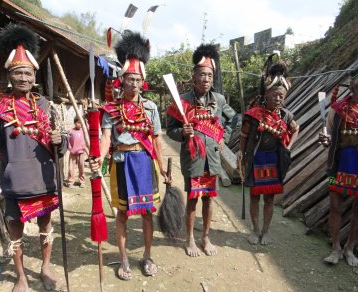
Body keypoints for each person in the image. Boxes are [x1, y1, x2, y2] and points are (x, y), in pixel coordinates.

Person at [0, 23, 68, 291]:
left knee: (45, 226)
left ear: (34, 76)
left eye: (27, 73)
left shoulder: (45, 106)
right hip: (15, 180)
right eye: (18, 73)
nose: (23, 78)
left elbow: (58, 148)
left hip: (44, 178)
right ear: (10, 76)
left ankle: (45, 266)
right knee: (15, 231)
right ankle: (21, 276)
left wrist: (59, 141)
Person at [90, 31, 168, 280]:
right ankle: (123, 259)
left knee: (146, 213)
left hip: (145, 162)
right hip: (121, 164)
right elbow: (105, 139)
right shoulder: (111, 109)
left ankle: (147, 255)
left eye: (137, 79)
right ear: (121, 80)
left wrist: (163, 167)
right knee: (122, 214)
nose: (133, 84)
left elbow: (156, 139)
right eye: (129, 79)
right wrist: (99, 158)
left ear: (142, 81)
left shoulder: (151, 108)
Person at [166, 44, 236, 257]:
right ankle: (189, 240)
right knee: (193, 198)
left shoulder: (220, 100)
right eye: (202, 75)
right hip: (193, 158)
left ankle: (205, 238)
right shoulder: (183, 101)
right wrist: (184, 133)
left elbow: (233, 119)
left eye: (209, 75)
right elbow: (170, 129)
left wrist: (224, 137)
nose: (206, 79)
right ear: (194, 77)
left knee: (209, 199)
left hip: (212, 160)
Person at [238, 56, 299, 245]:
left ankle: (266, 231)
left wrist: (288, 147)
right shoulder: (254, 114)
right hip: (256, 159)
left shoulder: (286, 115)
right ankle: (255, 230)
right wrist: (241, 153)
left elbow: (296, 129)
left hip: (274, 160)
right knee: (255, 196)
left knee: (270, 199)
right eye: (274, 94)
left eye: (281, 95)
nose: (278, 98)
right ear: (266, 94)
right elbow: (244, 135)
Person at [319, 61, 358, 267]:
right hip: (339, 163)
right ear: (352, 83)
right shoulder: (338, 109)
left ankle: (350, 249)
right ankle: (335, 248)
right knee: (335, 206)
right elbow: (329, 135)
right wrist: (325, 140)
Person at [65, 117, 87, 188]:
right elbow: (67, 141)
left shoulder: (83, 131)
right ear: (75, 123)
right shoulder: (71, 131)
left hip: (81, 152)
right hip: (73, 152)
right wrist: (70, 148)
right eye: (78, 122)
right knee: (71, 168)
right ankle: (70, 182)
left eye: (81, 123)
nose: (80, 124)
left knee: (81, 167)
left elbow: (86, 139)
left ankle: (82, 181)